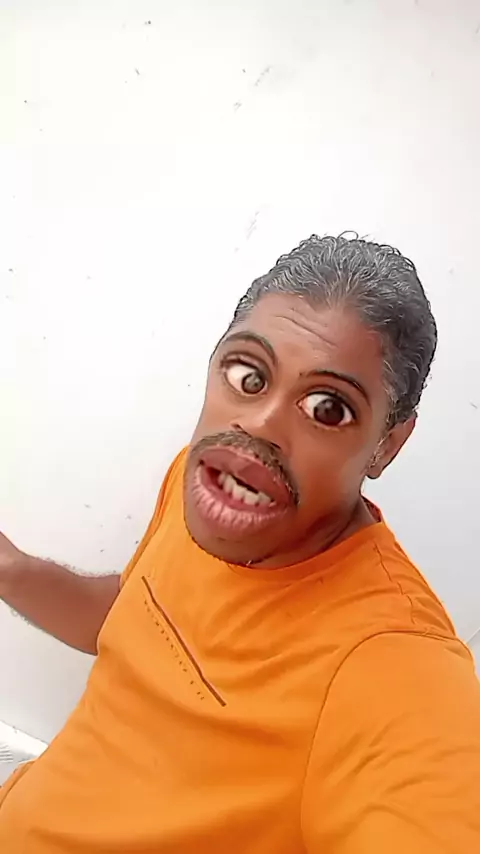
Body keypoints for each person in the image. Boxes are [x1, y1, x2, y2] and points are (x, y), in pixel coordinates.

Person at [0, 234, 479, 854]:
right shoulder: (210, 483)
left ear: (387, 446)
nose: (257, 424)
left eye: (328, 408)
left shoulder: (392, 661)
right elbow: (135, 617)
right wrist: (10, 569)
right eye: (249, 375)